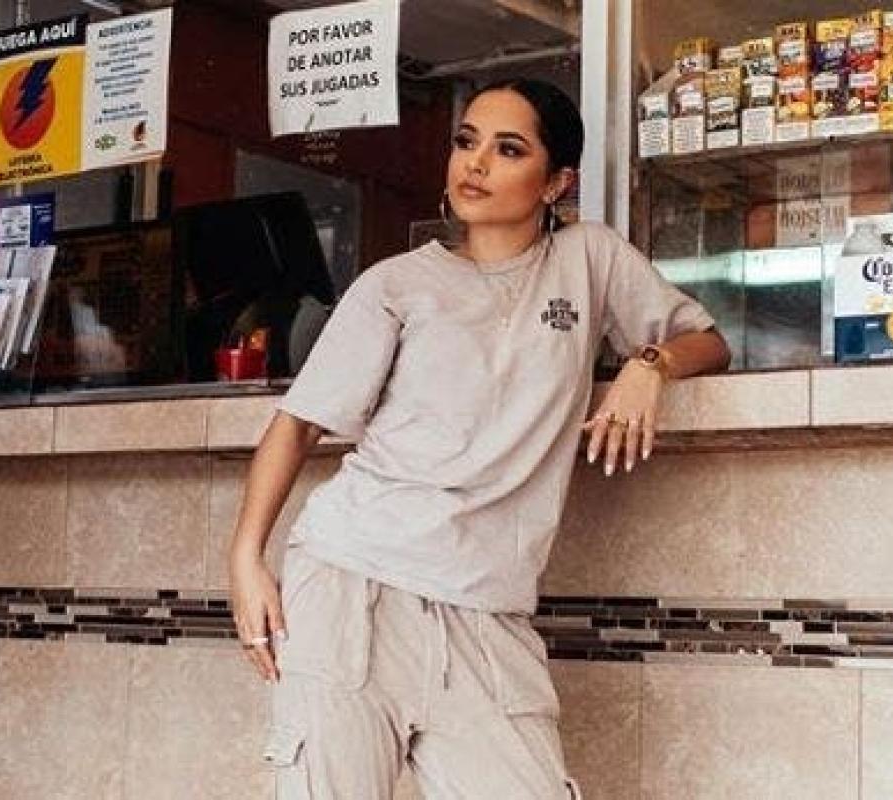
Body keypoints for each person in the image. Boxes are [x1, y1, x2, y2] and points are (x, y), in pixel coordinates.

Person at [229, 78, 730, 799]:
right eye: (467, 142)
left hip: (489, 611)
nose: (477, 163)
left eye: (509, 149)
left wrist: (648, 365)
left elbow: (707, 342)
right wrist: (246, 559)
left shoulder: (589, 259)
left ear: (556, 182)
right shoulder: (394, 285)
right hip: (353, 586)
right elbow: (298, 422)